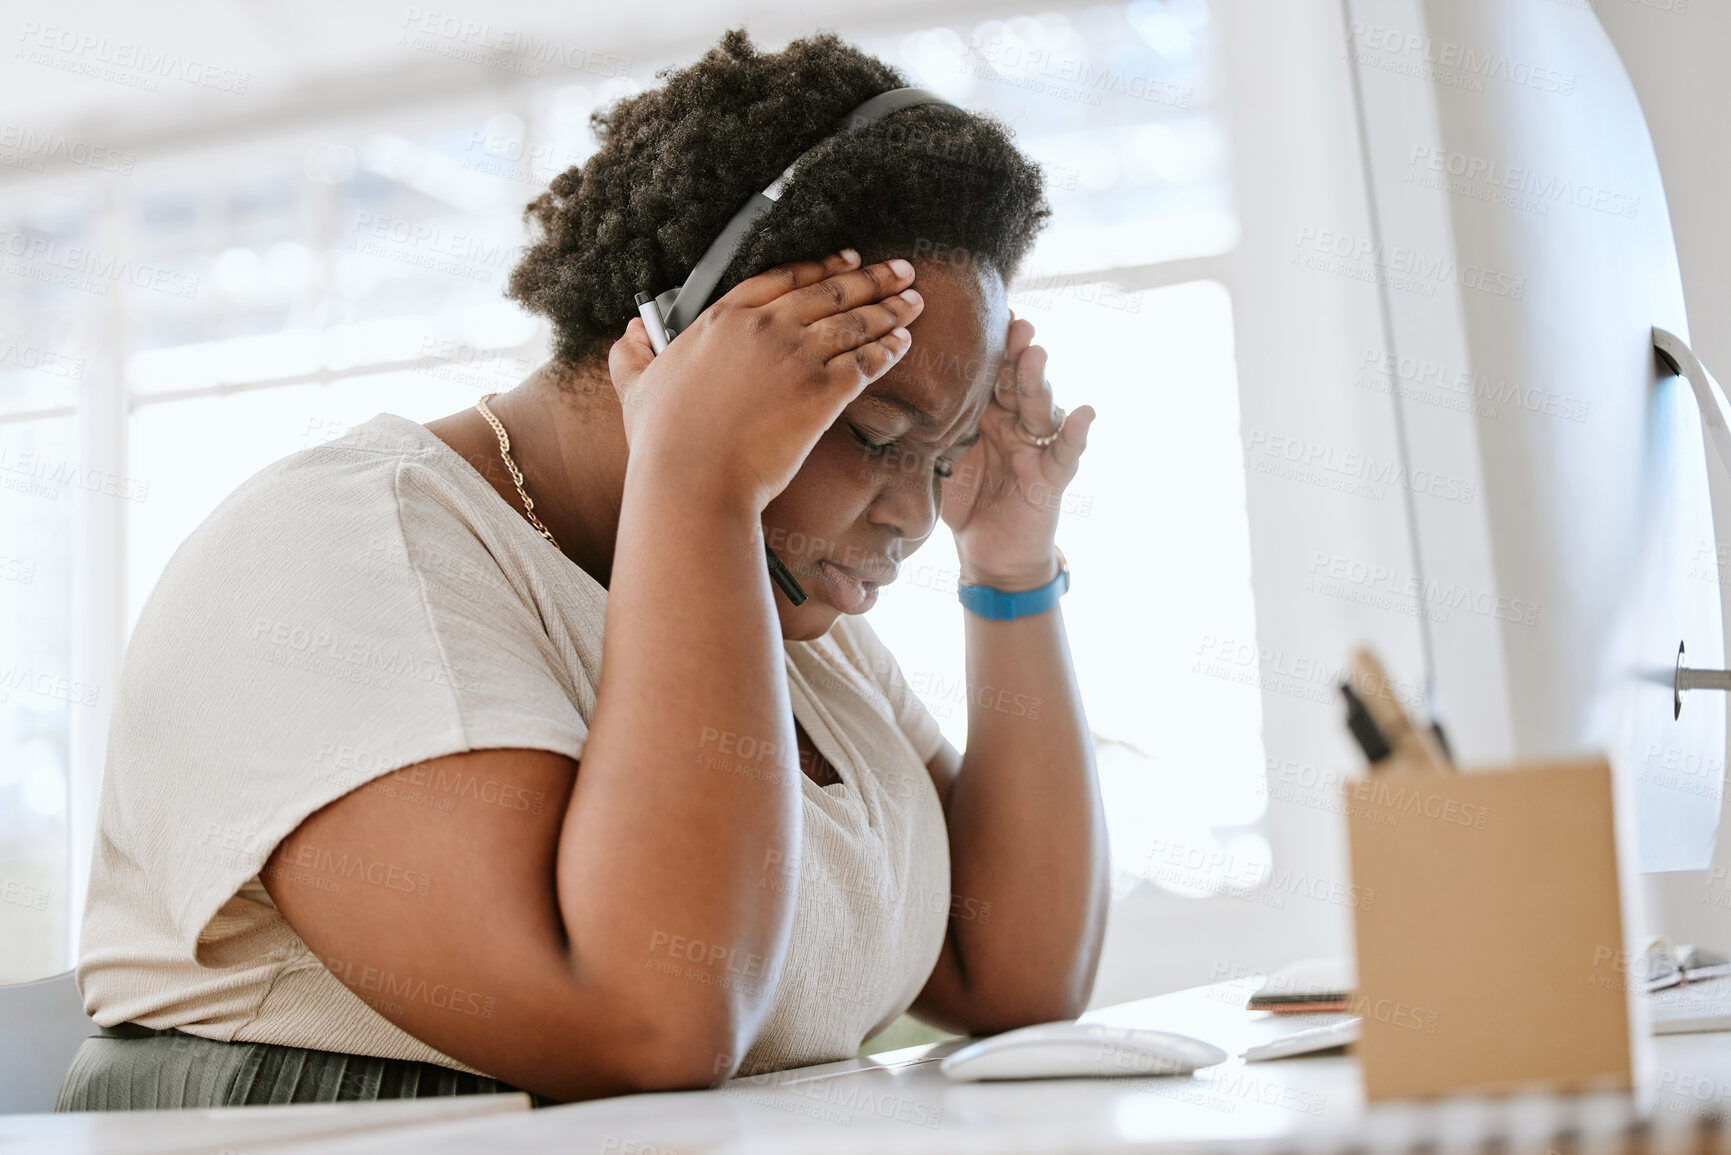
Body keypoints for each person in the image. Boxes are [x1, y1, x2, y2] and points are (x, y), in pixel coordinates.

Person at [59, 29, 1106, 1109]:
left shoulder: (779, 616)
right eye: (882, 436)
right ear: (690, 336)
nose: (913, 517)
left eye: (945, 458)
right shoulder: (345, 551)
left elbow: (1014, 974)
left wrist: (1012, 562)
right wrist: (693, 474)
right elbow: (647, 1021)